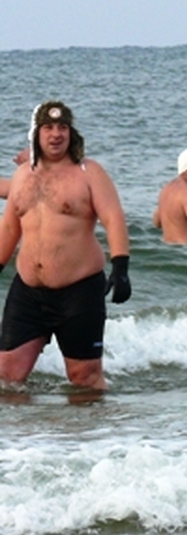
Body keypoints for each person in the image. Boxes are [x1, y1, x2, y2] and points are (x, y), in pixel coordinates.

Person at [0, 101, 131, 392]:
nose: (56, 134)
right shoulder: (23, 175)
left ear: (71, 133)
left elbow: (113, 218)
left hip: (79, 292)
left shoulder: (89, 172)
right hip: (28, 293)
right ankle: (30, 425)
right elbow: (9, 227)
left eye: (62, 127)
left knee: (85, 379)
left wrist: (120, 267)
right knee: (6, 377)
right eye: (48, 127)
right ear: (37, 134)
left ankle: (95, 424)